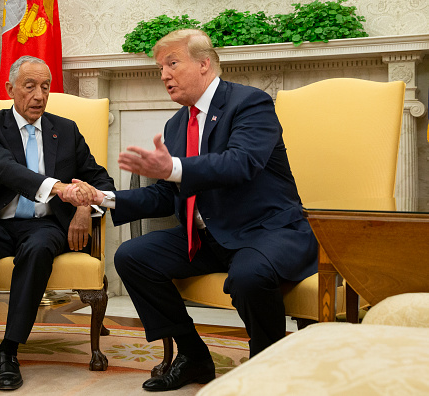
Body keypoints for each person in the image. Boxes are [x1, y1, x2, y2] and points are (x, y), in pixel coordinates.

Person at [64, 29, 318, 392]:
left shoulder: (250, 103)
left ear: (204, 63)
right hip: (211, 236)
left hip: (268, 231)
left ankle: (266, 364)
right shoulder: (177, 124)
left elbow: (240, 164)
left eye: (172, 63)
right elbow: (166, 197)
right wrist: (103, 199)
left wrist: (172, 168)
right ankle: (194, 355)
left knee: (249, 277)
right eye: (159, 67)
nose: (164, 74)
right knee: (134, 256)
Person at [0, 56, 114, 391]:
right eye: (30, 86)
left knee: (38, 249)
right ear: (10, 89)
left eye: (45, 86)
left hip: (45, 225)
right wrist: (60, 187)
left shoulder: (65, 130)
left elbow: (103, 184)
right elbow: (6, 169)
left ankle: (9, 350)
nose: (39, 95)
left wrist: (85, 207)